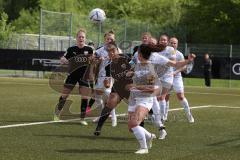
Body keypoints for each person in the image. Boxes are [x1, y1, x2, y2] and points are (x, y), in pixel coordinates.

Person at [54, 28, 94, 125]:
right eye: (79, 37)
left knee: (85, 97)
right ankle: (57, 114)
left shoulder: (89, 50)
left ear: (85, 38)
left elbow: (93, 62)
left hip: (84, 77)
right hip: (72, 75)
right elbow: (63, 57)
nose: (81, 38)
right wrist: (63, 60)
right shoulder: (71, 49)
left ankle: (82, 119)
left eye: (83, 37)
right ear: (76, 38)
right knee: (64, 95)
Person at [93, 30, 121, 127]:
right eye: (107, 39)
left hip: (110, 76)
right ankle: (102, 115)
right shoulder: (100, 50)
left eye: (111, 39)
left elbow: (120, 62)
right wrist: (97, 60)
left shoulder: (117, 49)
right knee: (96, 96)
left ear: (114, 40)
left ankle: (113, 117)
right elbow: (93, 59)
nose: (109, 40)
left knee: (109, 97)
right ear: (105, 39)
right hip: (101, 76)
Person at [165, 37, 194, 123]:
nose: (173, 44)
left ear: (177, 45)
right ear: (168, 43)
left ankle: (189, 115)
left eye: (174, 43)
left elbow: (184, 67)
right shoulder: (164, 53)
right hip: (166, 78)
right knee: (165, 97)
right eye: (171, 43)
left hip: (177, 78)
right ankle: (164, 116)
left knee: (180, 96)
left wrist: (175, 72)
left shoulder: (179, 54)